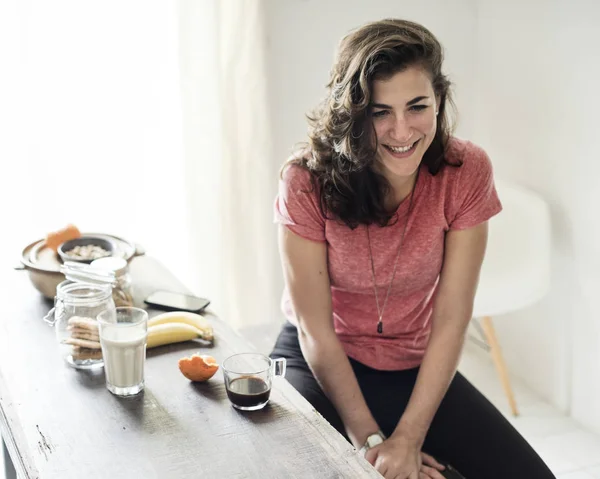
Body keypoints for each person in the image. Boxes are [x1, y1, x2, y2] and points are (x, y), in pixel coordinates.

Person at [270, 18, 556, 479]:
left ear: (439, 100)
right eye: (380, 111)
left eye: (417, 106)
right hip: (321, 358)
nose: (401, 131)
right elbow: (314, 329)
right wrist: (375, 444)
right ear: (353, 112)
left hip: (414, 363)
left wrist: (410, 437)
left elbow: (451, 318)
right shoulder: (304, 181)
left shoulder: (466, 171)